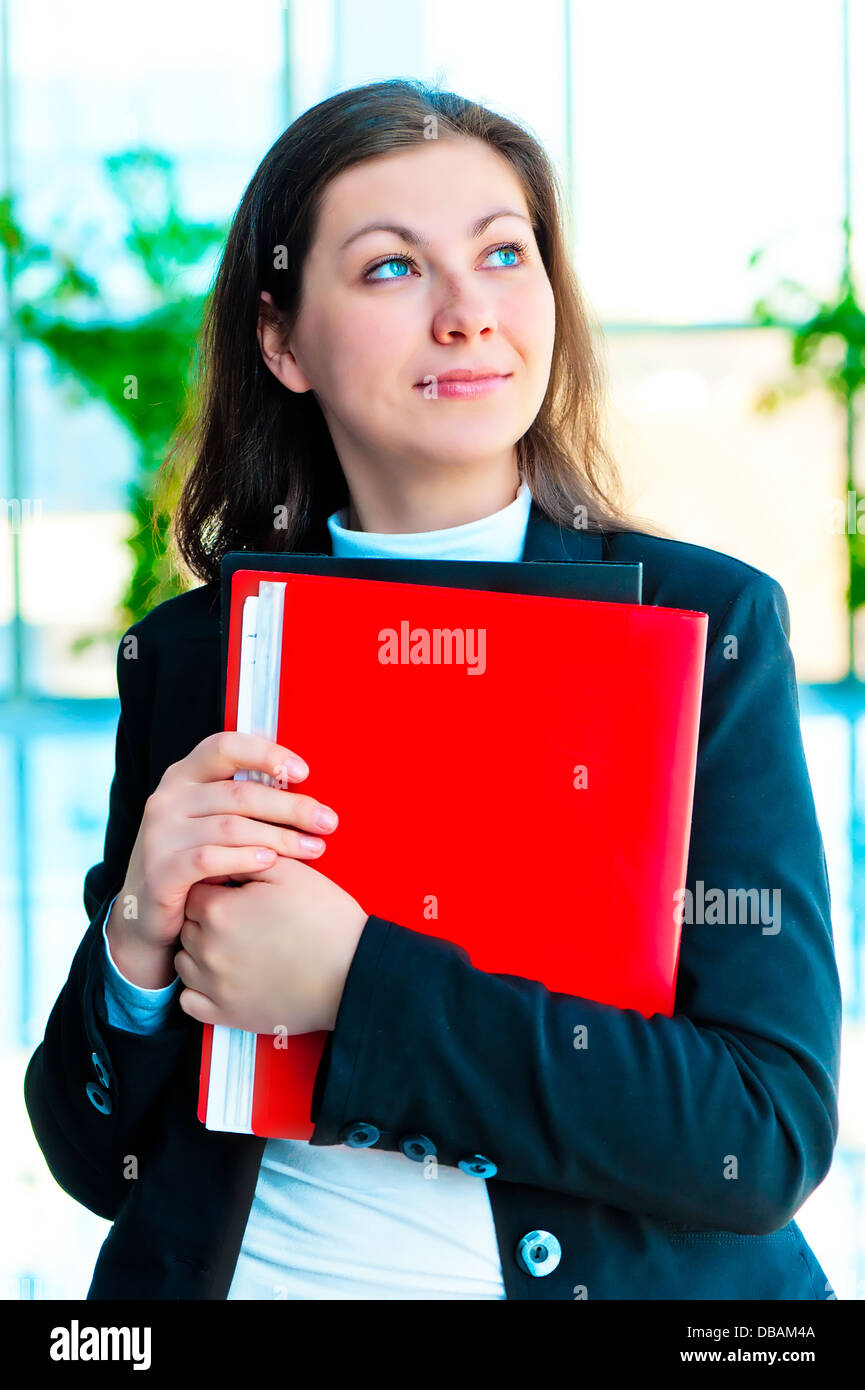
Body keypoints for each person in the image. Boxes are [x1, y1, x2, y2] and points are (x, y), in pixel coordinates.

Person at [24, 78, 841, 1300]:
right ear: (280, 339)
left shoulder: (704, 629)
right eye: (393, 269)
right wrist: (138, 938)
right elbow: (101, 1164)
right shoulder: (199, 656)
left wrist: (360, 988)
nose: (469, 313)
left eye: (504, 253)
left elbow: (762, 1132)